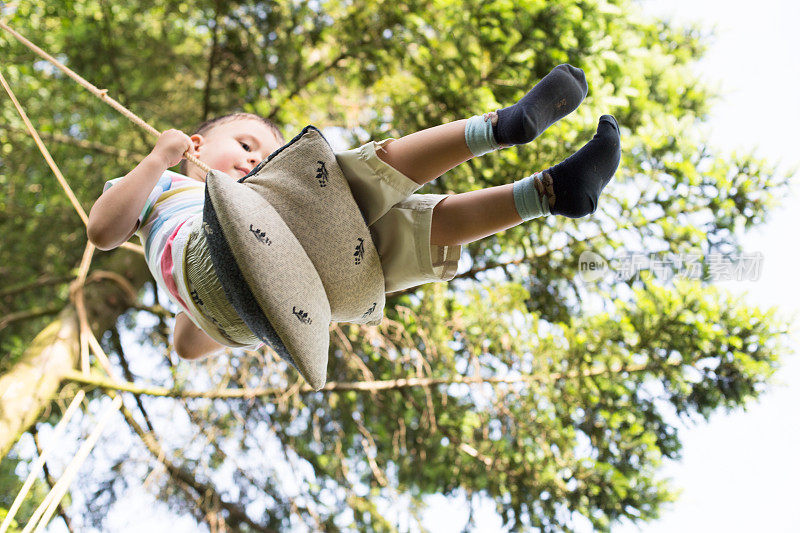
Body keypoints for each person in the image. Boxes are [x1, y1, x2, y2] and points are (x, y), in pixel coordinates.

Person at [86, 63, 621, 362]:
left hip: (304, 274)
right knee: (365, 185)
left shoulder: (254, 196)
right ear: (196, 147)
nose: (255, 160)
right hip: (280, 284)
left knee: (409, 226)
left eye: (265, 156)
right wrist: (158, 158)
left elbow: (191, 341)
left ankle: (546, 193)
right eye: (246, 144)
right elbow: (103, 230)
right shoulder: (166, 188)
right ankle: (499, 131)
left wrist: (220, 309)